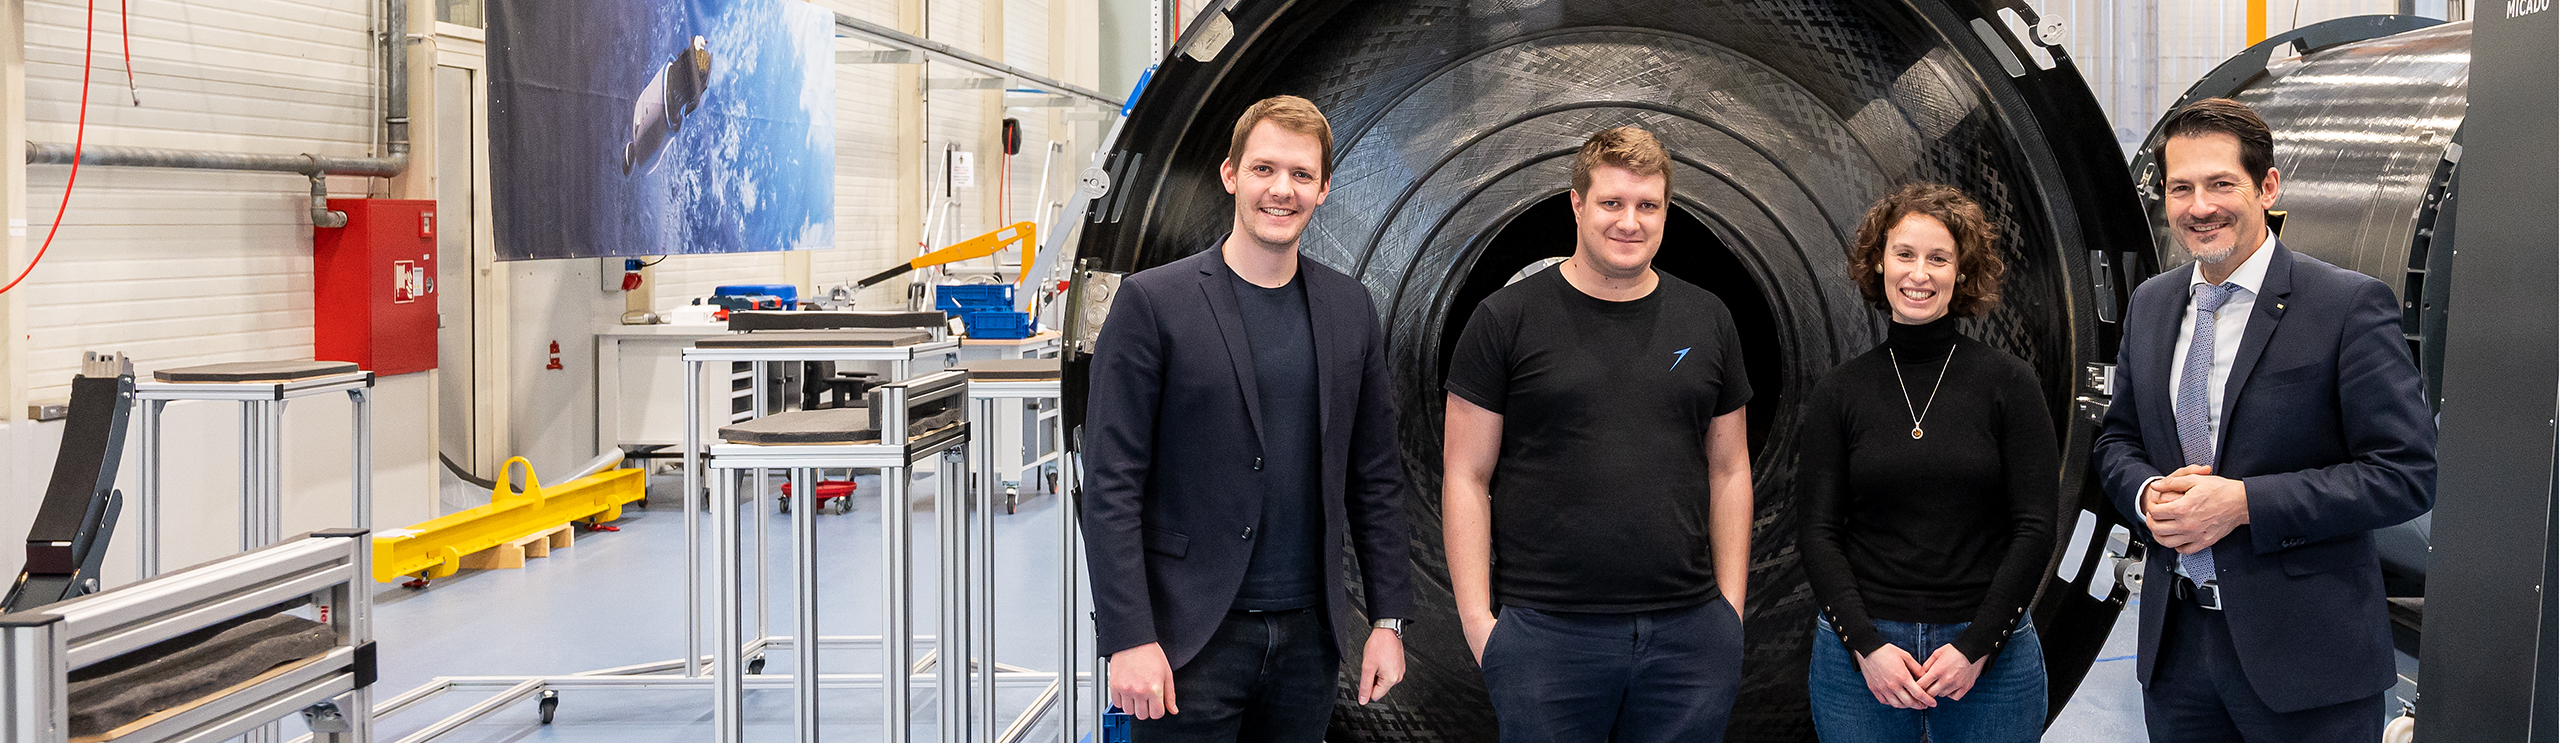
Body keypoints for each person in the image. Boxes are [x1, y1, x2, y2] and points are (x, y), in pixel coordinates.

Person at [2092, 97, 2435, 742]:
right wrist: (2144, 492)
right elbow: (2119, 438)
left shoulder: (2346, 306)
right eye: (2181, 188)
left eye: (2221, 184)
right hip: (2178, 654)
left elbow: (2405, 473)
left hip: (2307, 662)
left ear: (2267, 186)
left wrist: (2246, 503)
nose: (2200, 207)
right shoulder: (2153, 304)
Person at [1081, 94, 1414, 742]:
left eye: (1300, 175)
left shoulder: (1351, 308)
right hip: (1189, 638)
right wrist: (1131, 636)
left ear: (1322, 190)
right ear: (1230, 175)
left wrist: (1388, 620)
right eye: (1264, 169)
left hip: (1309, 642)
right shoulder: (1153, 303)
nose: (1281, 189)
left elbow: (1375, 477)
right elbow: (1112, 481)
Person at [1441, 125, 1753, 742]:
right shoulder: (1505, 319)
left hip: (1688, 637)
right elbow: (1465, 476)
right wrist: (1482, 625)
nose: (1629, 222)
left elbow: (1730, 468)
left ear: (1667, 211)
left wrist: (1729, 614)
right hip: (1547, 637)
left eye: (1648, 206)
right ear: (1578, 205)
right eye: (1611, 203)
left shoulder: (1708, 318)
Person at [1796, 183, 2056, 742]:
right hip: (1862, 653)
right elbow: (1818, 532)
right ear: (1880, 263)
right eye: (1905, 255)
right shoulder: (1840, 392)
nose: (1919, 274)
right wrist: (1866, 647)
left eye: (1939, 258)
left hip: (1989, 650)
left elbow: (2035, 527)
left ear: (1961, 272)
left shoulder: (2009, 384)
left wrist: (1976, 646)